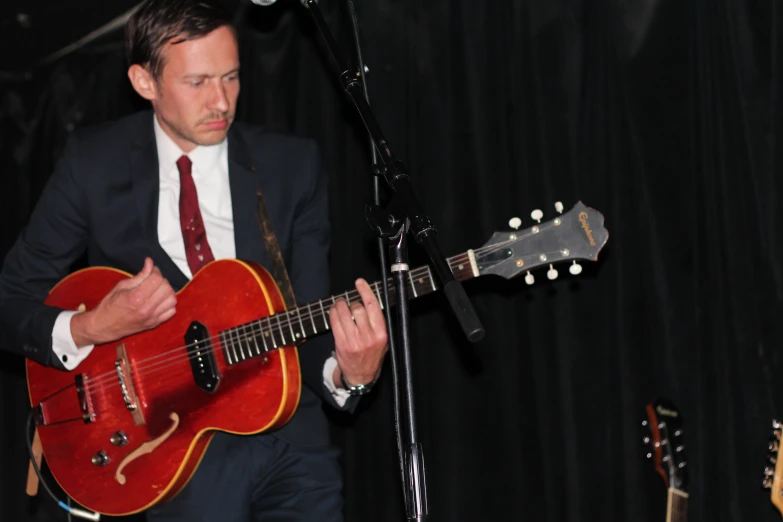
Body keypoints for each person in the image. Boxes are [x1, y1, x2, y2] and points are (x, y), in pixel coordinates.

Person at [0, 0, 389, 520]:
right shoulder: (93, 164)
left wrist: (351, 375)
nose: (221, 101)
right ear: (145, 82)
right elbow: (10, 301)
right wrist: (93, 325)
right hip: (163, 446)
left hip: (289, 439)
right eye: (198, 82)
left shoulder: (292, 166)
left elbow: (311, 315)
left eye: (231, 77)